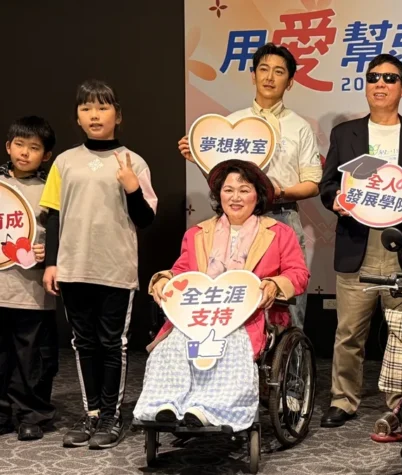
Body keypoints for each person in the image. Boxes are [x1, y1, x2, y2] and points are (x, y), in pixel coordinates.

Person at [134, 159, 309, 430]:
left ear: (257, 196)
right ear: (219, 195)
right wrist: (165, 279)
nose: (235, 197)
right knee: (173, 343)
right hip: (200, 314)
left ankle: (214, 408)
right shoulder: (197, 233)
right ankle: (165, 404)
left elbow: (298, 273)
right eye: (228, 190)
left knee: (231, 343)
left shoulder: (279, 233)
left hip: (251, 316)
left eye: (244, 190)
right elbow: (182, 270)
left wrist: (275, 284)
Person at [319, 53, 402, 428]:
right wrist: (335, 200)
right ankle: (343, 399)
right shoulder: (345, 134)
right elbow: (328, 184)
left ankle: (400, 400)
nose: (380, 84)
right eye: (373, 77)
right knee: (348, 333)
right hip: (357, 243)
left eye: (390, 78)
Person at [40, 80, 158, 449]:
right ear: (77, 117)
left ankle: (111, 415)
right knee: (83, 343)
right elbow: (54, 215)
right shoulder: (64, 161)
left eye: (103, 107)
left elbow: (145, 218)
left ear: (117, 116)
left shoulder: (133, 161)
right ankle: (91, 413)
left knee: (112, 343)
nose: (95, 115)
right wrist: (51, 263)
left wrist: (131, 186)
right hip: (73, 266)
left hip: (114, 269)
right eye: (87, 108)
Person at [179, 43, 321, 329]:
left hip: (282, 216)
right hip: (235, 221)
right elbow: (221, 182)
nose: (269, 77)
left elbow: (313, 184)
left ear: (290, 82)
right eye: (263, 69)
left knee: (288, 301)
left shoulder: (299, 127)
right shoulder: (232, 123)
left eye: (279, 71)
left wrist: (277, 192)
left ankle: (290, 355)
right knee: (232, 296)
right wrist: (200, 159)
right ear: (253, 75)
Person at [0, 117, 58, 441]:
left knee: (31, 356)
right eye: (19, 145)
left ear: (45, 155)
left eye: (34, 148)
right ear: (8, 146)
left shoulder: (50, 189)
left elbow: (61, 231)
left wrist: (47, 252)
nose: (24, 153)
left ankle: (31, 415)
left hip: (32, 289)